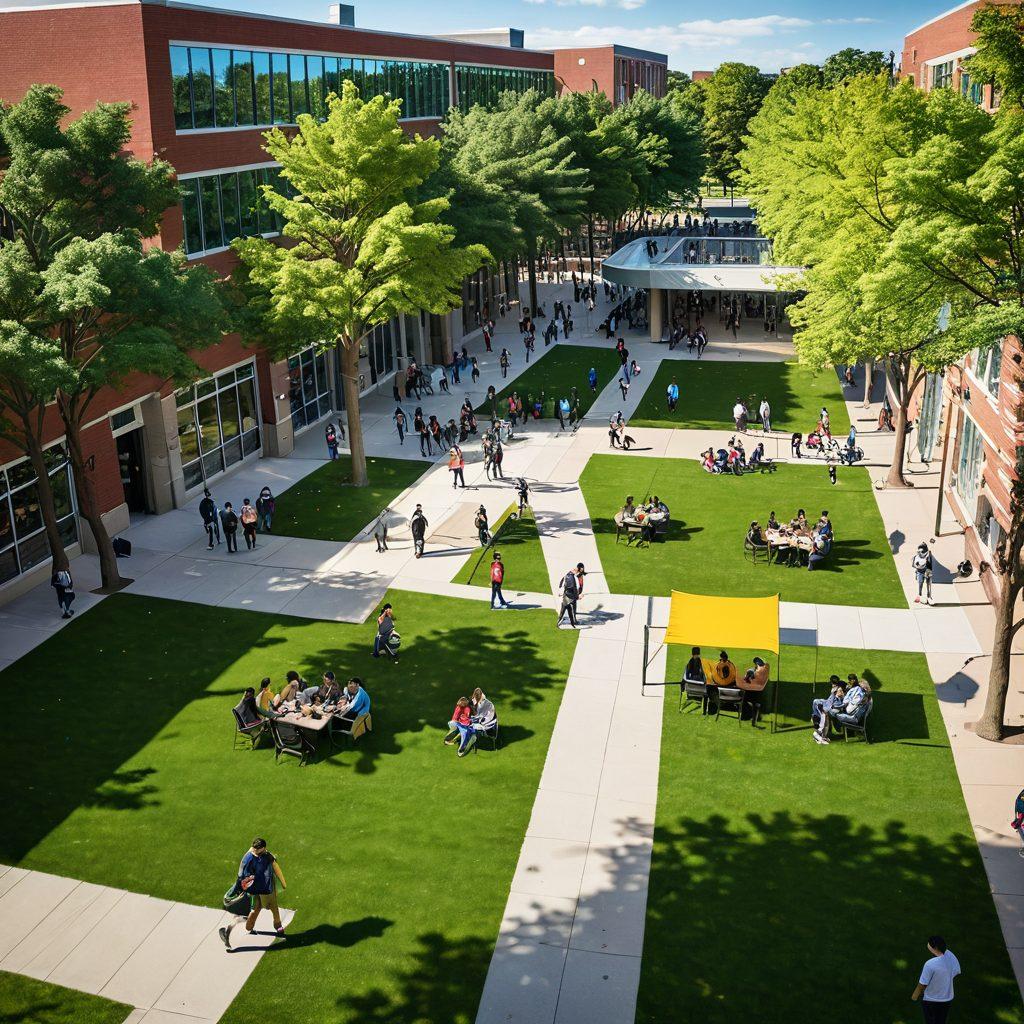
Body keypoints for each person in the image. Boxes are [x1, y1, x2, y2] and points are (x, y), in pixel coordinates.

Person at [219, 837, 287, 949]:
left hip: (260, 889)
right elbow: (244, 876)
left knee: (258, 909)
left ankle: (249, 928)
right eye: (254, 850)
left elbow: (242, 876)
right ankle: (278, 929)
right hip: (263, 889)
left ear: (263, 848)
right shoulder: (255, 857)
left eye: (257, 851)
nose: (255, 852)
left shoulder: (260, 856)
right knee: (270, 908)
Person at [912, 936, 960, 1023]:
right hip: (947, 999)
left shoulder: (930, 964)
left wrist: (914, 996)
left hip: (931, 1000)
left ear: (934, 948)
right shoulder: (951, 957)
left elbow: (922, 984)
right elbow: (956, 971)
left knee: (930, 1020)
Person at [811, 675, 846, 743]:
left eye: (832, 683)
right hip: (829, 702)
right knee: (815, 701)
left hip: (833, 706)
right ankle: (816, 720)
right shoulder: (836, 688)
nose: (832, 684)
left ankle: (821, 732)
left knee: (823, 712)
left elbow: (838, 700)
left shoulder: (839, 688)